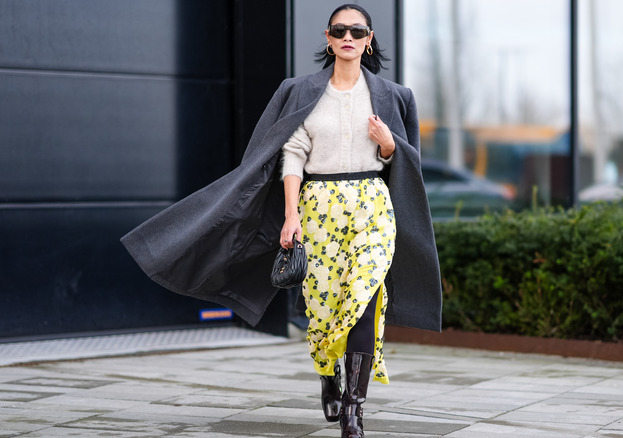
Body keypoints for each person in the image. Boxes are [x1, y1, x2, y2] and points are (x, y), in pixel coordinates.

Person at [120, 4, 441, 437]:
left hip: (372, 206)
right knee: (325, 308)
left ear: (369, 40)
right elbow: (291, 155)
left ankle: (353, 408)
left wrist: (389, 148)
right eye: (340, 30)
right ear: (328, 38)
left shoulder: (395, 95)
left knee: (364, 298)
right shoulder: (299, 90)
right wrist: (290, 216)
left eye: (357, 30)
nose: (348, 36)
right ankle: (330, 377)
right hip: (318, 207)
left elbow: (406, 165)